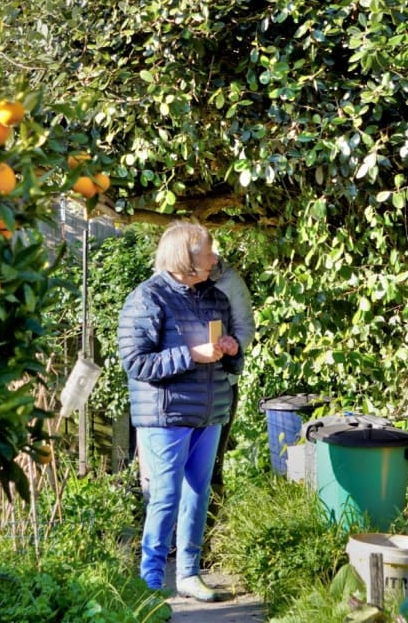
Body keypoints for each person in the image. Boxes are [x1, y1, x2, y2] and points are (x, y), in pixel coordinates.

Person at [118, 221, 243, 602]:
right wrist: (191, 356)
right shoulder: (147, 299)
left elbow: (230, 363)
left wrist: (232, 350)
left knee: (197, 495)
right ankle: (151, 581)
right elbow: (136, 362)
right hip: (166, 415)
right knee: (166, 496)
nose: (214, 256)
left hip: (209, 413)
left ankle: (189, 574)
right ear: (185, 257)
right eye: (207, 249)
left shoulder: (216, 298)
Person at [208, 253, 255, 506]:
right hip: (178, 391)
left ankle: (208, 534)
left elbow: (245, 327)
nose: (212, 258)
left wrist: (232, 347)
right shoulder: (165, 281)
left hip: (222, 383)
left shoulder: (229, 280)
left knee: (214, 462)